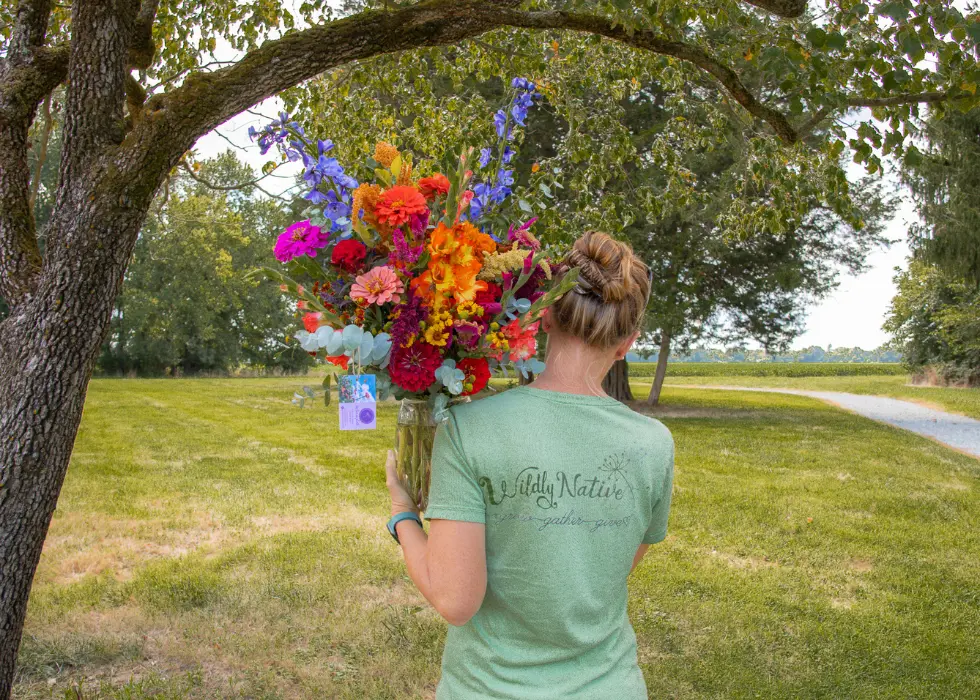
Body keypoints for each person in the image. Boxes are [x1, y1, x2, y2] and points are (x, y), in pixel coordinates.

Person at [385, 231, 674, 699]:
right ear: (627, 343)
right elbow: (610, 569)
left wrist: (402, 515)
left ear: (543, 315)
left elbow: (455, 600)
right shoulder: (655, 444)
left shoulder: (468, 428)